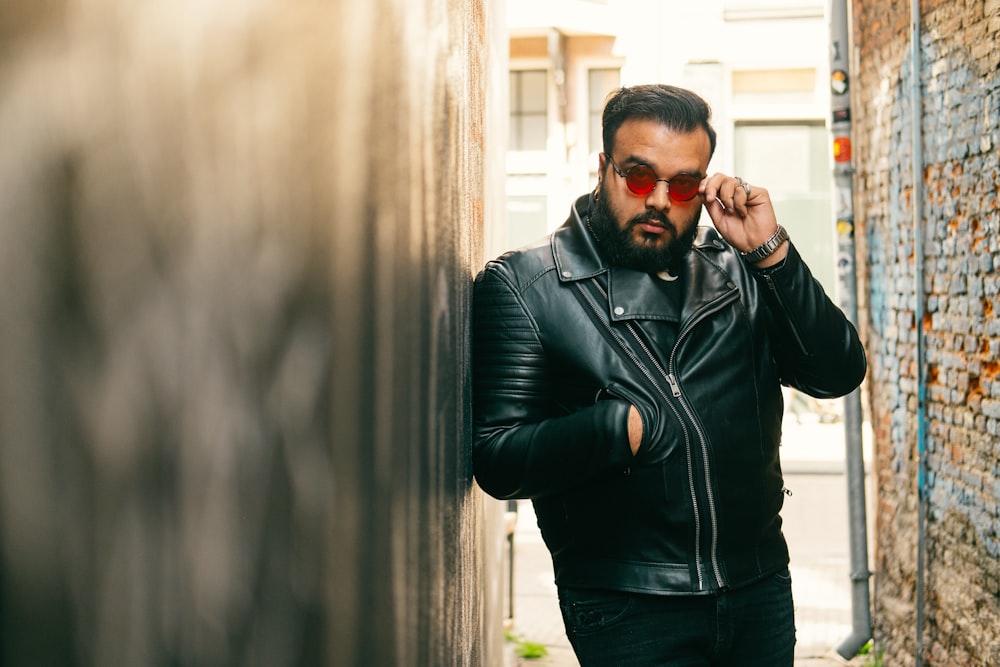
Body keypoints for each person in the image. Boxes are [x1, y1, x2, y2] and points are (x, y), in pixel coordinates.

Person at [471, 84, 866, 666]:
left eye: (682, 185)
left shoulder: (737, 269)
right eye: (638, 176)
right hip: (627, 605)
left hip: (757, 586)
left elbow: (837, 373)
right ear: (603, 168)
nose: (658, 200)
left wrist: (772, 255)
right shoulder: (528, 286)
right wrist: (617, 430)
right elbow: (497, 456)